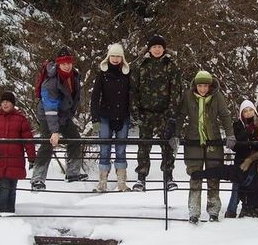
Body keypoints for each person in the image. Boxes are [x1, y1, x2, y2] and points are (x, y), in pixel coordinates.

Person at [173, 70, 234, 224]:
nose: (203, 89)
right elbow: (180, 115)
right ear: (195, 85)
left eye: (205, 86)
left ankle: (213, 211)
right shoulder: (188, 96)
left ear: (210, 85)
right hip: (193, 139)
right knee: (195, 175)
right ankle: (194, 211)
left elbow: (225, 115)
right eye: (200, 85)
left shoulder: (217, 96)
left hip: (213, 140)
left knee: (213, 176)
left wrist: (230, 134)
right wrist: (175, 134)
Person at [129, 34, 182, 192]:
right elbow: (133, 90)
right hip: (146, 113)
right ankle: (141, 178)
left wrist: (172, 113)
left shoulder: (171, 65)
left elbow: (176, 90)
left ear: (164, 49)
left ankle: (168, 177)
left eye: (160, 47)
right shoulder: (140, 65)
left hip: (165, 113)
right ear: (149, 48)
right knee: (144, 146)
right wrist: (135, 111)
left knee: (167, 145)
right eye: (154, 47)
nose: (157, 50)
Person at [31, 47, 88, 191]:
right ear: (58, 64)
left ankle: (73, 173)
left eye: (69, 62)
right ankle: (38, 179)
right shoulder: (51, 81)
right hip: (47, 116)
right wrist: (54, 132)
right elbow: (50, 108)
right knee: (47, 143)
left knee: (75, 140)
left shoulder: (74, 76)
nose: (67, 65)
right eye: (63, 63)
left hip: (64, 115)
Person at [192, 151, 258, 219]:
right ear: (257, 165)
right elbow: (224, 171)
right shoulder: (247, 172)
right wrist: (202, 174)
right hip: (249, 210)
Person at [0, 92, 36, 212]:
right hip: (0, 159)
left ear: (12, 103)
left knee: (12, 188)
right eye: (3, 102)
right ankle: (0, 213)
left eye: (7, 101)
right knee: (4, 187)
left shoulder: (21, 119)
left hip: (15, 159)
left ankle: (10, 213)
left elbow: (28, 139)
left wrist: (31, 156)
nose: (5, 104)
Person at [90, 43, 131, 192]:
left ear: (122, 57)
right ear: (108, 57)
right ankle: (102, 182)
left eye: (118, 56)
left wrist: (133, 114)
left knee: (121, 149)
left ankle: (121, 182)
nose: (115, 58)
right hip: (105, 116)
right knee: (104, 149)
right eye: (113, 55)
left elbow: (131, 96)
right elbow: (95, 97)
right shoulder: (102, 73)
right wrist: (95, 118)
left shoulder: (127, 74)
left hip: (123, 116)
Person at [225, 99, 258, 218]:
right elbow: (236, 145)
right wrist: (247, 131)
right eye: (245, 111)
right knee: (236, 186)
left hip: (256, 161)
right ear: (241, 113)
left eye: (250, 110)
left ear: (254, 111)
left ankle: (247, 208)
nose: (248, 113)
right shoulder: (237, 125)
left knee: (251, 186)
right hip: (241, 160)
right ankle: (231, 210)